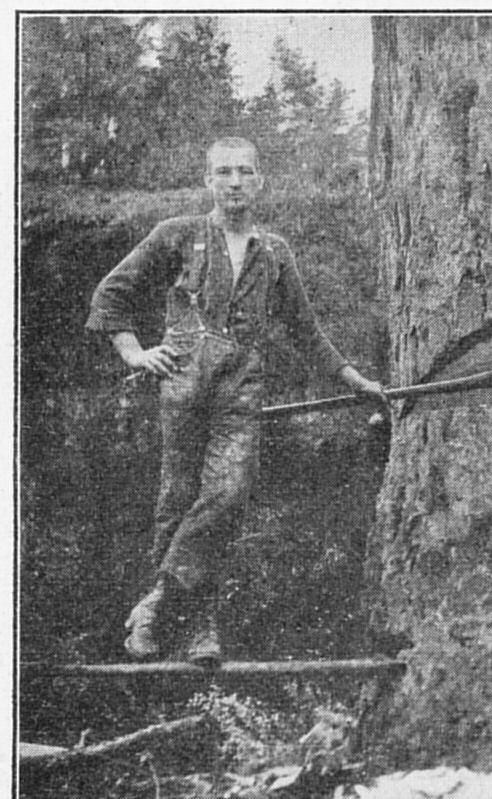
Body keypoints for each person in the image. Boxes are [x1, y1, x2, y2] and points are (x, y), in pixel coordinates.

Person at [87, 137, 386, 665]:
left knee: (227, 495)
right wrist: (134, 353)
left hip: (240, 391)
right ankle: (197, 628)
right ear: (208, 181)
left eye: (245, 172)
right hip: (182, 384)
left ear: (259, 181)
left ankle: (156, 605)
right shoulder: (177, 235)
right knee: (178, 500)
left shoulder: (274, 252)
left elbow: (305, 330)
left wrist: (354, 379)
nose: (234, 182)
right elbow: (111, 294)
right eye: (224, 172)